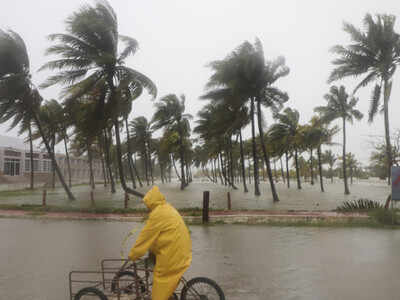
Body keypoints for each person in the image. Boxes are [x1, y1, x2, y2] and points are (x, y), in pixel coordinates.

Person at [129, 186, 192, 300]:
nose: (147, 207)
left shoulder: (157, 215)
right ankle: (169, 294)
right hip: (182, 249)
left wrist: (133, 255)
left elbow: (145, 238)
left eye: (147, 204)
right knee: (154, 257)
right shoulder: (167, 207)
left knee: (159, 291)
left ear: (151, 203)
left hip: (173, 255)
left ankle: (164, 295)